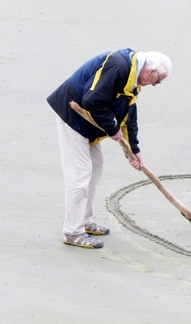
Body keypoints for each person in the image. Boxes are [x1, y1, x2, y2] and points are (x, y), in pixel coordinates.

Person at [47, 49, 171, 249]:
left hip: (89, 124)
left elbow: (129, 112)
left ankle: (84, 222)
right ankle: (72, 231)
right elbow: (91, 100)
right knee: (79, 176)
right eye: (158, 81)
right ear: (151, 71)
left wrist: (133, 149)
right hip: (73, 118)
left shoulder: (132, 77)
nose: (155, 85)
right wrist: (113, 130)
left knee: (95, 168)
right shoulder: (119, 66)